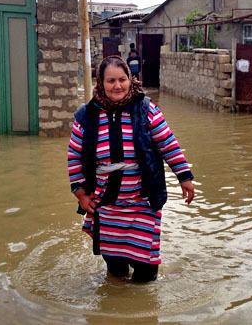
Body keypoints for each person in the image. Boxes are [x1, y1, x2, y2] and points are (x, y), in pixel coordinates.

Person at [68, 55, 195, 283]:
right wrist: (81, 194)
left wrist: (184, 176)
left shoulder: (146, 110)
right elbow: (75, 156)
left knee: (146, 273)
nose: (117, 86)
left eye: (122, 79)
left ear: (130, 79)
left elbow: (167, 143)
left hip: (142, 202)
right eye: (111, 81)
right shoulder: (86, 116)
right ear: (101, 83)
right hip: (105, 204)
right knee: (115, 272)